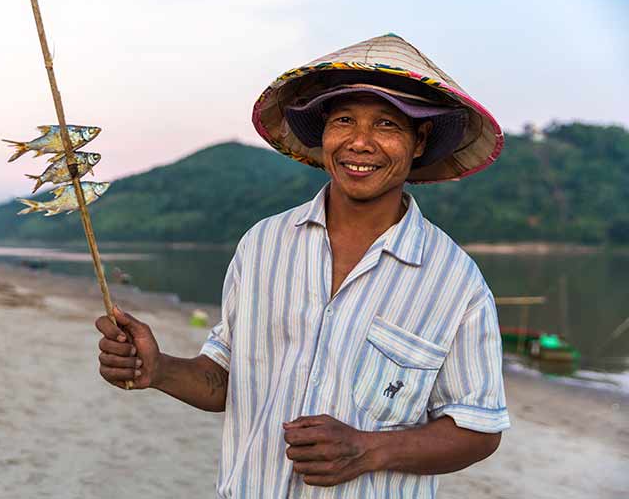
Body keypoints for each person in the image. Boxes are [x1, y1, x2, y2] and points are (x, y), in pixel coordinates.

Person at [95, 33, 509, 498]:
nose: (359, 142)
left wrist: (368, 449)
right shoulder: (263, 245)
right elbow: (228, 380)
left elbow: (479, 428)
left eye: (388, 125)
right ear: (323, 134)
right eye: (344, 120)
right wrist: (160, 370)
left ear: (420, 140)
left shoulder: (455, 282)